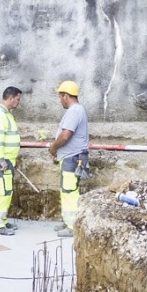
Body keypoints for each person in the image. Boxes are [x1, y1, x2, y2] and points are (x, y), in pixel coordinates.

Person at [45, 80, 89, 236]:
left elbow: (65, 136)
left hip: (72, 158)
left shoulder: (74, 111)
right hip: (70, 157)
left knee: (70, 192)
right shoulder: (76, 110)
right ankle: (67, 221)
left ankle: (72, 227)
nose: (60, 101)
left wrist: (53, 147)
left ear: (65, 96)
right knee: (66, 191)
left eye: (60, 97)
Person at [0, 86, 23, 235]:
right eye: (17, 99)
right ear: (10, 97)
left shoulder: (6, 114)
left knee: (6, 191)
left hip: (7, 159)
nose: (18, 102)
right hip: (2, 160)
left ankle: (3, 220)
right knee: (3, 191)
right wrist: (1, 159)